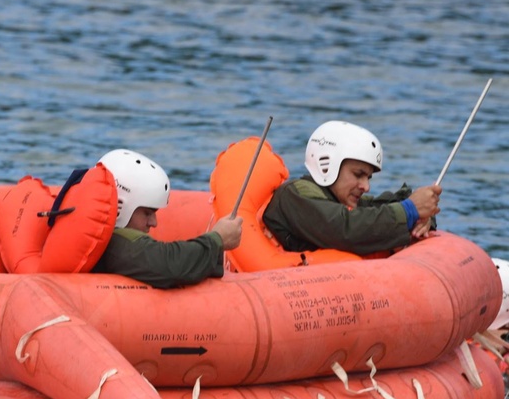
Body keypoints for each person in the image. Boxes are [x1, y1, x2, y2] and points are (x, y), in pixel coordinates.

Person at [262, 120, 441, 255]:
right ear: (328, 165)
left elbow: (383, 207)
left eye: (368, 178)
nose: (366, 187)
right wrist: (409, 211)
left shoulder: (337, 199)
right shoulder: (295, 196)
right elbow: (344, 229)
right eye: (358, 174)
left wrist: (422, 216)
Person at [91, 149, 243, 288]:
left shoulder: (92, 228)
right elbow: (170, 264)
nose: (154, 223)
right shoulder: (115, 245)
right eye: (147, 213)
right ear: (120, 206)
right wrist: (218, 240)